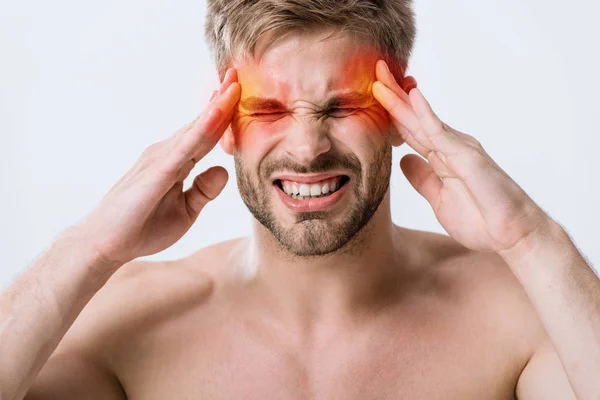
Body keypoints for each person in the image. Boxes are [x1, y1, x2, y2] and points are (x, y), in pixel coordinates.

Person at [1, 0, 598, 399]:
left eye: (342, 106)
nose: (308, 147)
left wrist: (531, 238)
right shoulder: (128, 325)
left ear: (402, 112)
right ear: (224, 125)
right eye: (268, 109)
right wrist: (89, 248)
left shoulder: (518, 311)